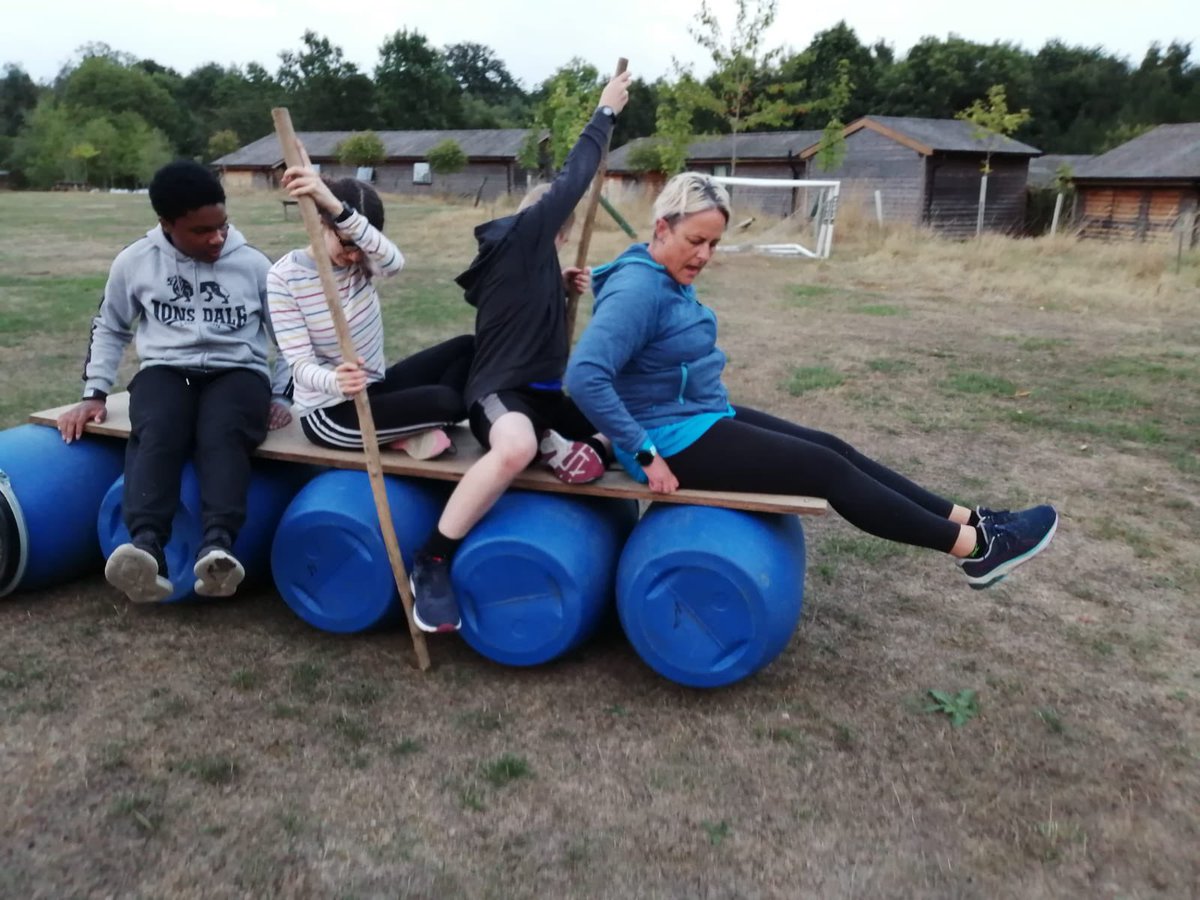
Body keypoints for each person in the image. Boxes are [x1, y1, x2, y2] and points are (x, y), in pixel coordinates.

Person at [565, 172, 1057, 589]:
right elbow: (585, 377)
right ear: (662, 229)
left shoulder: (651, 270)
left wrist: (594, 276)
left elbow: (626, 275)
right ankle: (976, 550)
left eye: (713, 243)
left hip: (697, 417)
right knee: (827, 471)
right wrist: (645, 454)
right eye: (695, 241)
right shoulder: (638, 289)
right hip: (668, 442)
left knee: (831, 446)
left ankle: (972, 519)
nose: (705, 256)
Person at [407, 69, 634, 633]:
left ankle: (565, 446)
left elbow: (535, 306)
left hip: (550, 394)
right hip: (500, 393)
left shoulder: (538, 265)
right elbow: (573, 180)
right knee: (514, 446)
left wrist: (562, 287)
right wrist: (604, 113)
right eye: (557, 227)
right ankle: (432, 558)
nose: (560, 232)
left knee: (626, 419)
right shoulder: (520, 236)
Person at [56, 160, 293, 603]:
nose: (216, 238)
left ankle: (218, 548)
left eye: (221, 226)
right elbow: (110, 327)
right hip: (166, 370)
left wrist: (281, 393)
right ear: (167, 224)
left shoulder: (255, 265)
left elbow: (291, 339)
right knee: (160, 428)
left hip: (238, 372)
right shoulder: (135, 262)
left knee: (222, 433)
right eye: (201, 231)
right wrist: (94, 393)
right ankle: (145, 547)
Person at [267, 157, 473, 459]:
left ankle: (402, 430)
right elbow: (299, 366)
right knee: (448, 401)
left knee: (468, 348)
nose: (354, 257)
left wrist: (339, 211)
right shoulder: (284, 278)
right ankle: (405, 429)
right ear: (320, 223)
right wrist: (337, 381)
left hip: (374, 386)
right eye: (348, 245)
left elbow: (395, 263)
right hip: (329, 413)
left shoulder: (364, 259)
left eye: (363, 245)